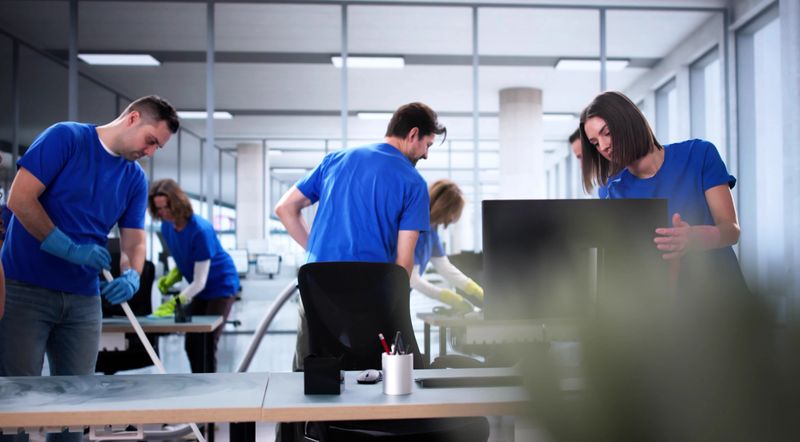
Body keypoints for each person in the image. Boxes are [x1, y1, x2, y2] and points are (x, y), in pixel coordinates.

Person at [0, 95, 178, 442]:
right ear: (133, 119)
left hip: (83, 300)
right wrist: (65, 246)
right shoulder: (66, 139)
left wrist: (133, 274)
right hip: (25, 290)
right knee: (16, 405)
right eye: (151, 140)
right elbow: (20, 198)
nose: (151, 151)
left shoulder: (134, 179)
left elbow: (134, 242)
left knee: (76, 407)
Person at [275, 101, 446, 370]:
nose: (425, 155)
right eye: (428, 145)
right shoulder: (413, 183)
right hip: (372, 296)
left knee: (310, 375)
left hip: (317, 288)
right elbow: (403, 263)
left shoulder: (335, 160)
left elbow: (285, 208)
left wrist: (317, 251)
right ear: (413, 134)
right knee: (374, 377)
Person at [579, 90, 745, 293]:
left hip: (721, 296)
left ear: (629, 122)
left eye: (607, 133)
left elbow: (731, 230)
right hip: (665, 309)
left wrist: (695, 237)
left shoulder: (699, 154)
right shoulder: (611, 190)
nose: (603, 146)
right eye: (595, 143)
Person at [147, 179, 240, 374]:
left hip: (220, 286)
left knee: (206, 341)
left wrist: (175, 302)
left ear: (177, 203)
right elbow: (185, 256)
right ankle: (197, 384)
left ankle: (208, 392)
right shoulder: (167, 227)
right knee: (191, 343)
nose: (163, 213)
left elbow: (199, 281)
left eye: (166, 208)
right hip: (200, 287)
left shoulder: (200, 230)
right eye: (159, 209)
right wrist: (173, 276)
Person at [410, 179, 483, 313]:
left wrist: (473, 289)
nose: (452, 218)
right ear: (443, 208)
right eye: (453, 213)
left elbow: (444, 266)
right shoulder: (414, 228)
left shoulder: (431, 230)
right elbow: (412, 279)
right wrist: (449, 298)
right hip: (387, 294)